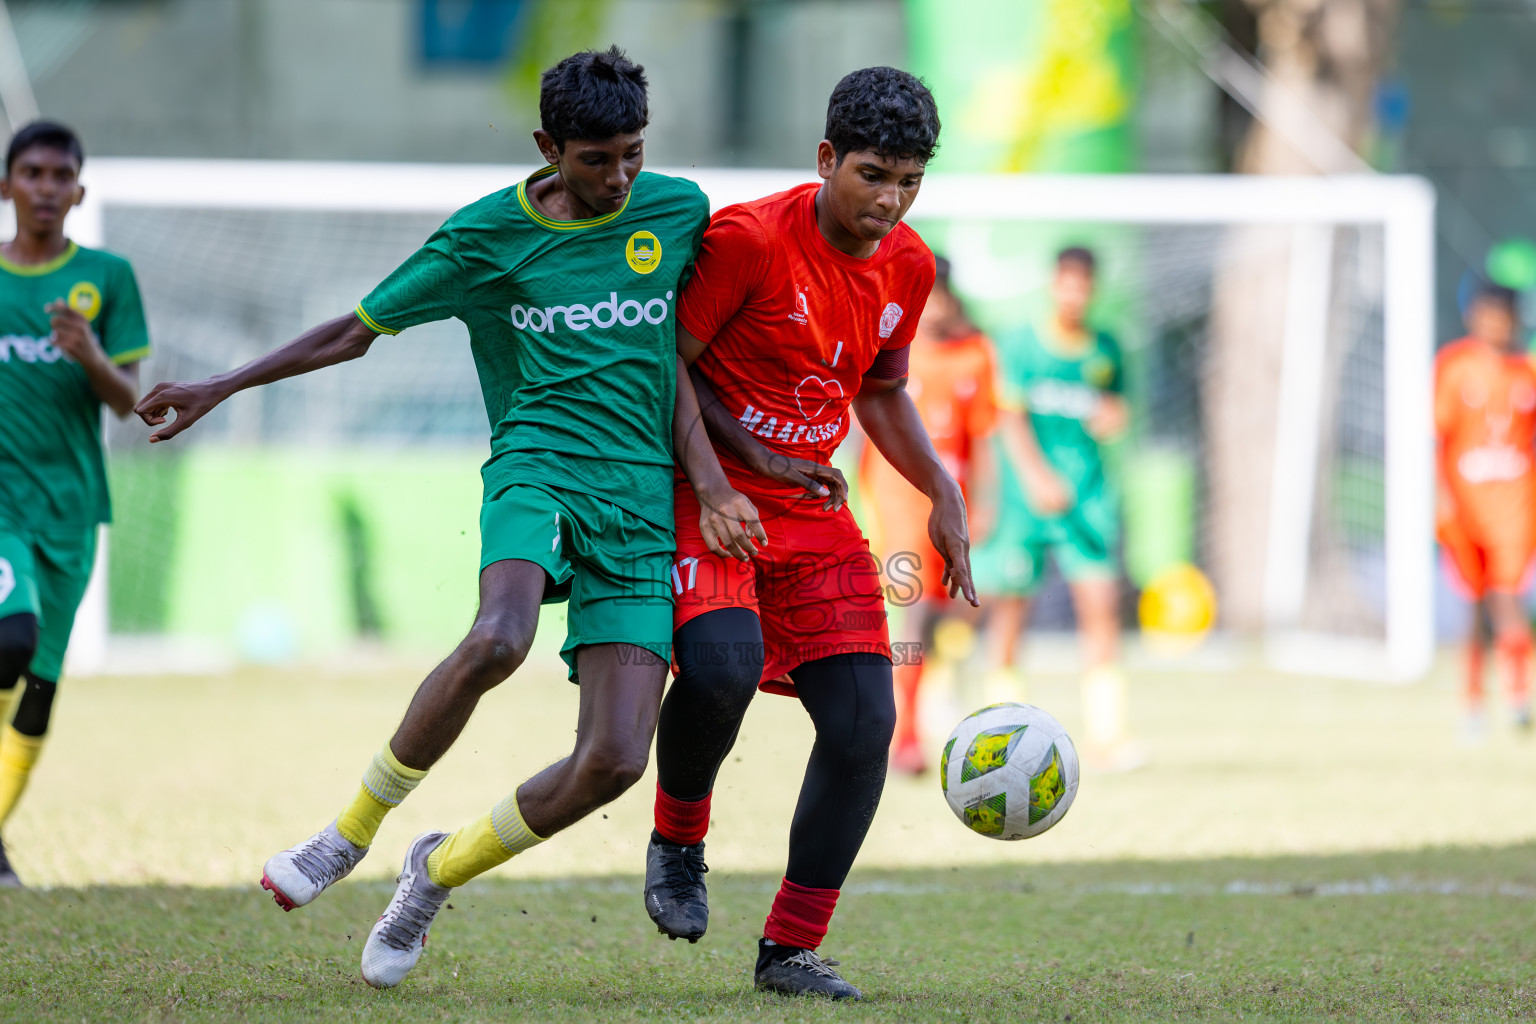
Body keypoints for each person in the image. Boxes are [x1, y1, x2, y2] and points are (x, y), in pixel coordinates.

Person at [134, 48, 760, 989]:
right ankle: (346, 836)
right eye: (597, 160)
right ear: (548, 146)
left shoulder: (675, 211)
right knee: (497, 639)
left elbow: (666, 356)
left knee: (616, 762)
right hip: (538, 472)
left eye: (633, 153)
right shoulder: (483, 238)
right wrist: (224, 386)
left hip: (638, 505)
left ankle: (432, 872)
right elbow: (355, 329)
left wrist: (714, 481)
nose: (620, 177)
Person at [642, 66, 973, 1001]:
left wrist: (940, 490)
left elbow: (880, 389)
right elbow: (668, 365)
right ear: (826, 158)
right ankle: (679, 839)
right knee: (722, 666)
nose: (891, 199)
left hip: (810, 510)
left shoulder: (909, 264)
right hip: (702, 492)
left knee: (869, 721)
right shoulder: (748, 239)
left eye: (910, 180)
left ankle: (789, 949)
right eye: (873, 174)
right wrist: (731, 472)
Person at [0, 121, 149, 888]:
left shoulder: (107, 277)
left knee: (41, 685)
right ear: (7, 187)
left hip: (73, 507)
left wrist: (88, 352)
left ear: (80, 191)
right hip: (2, 509)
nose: (47, 188)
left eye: (61, 176)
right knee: (10, 642)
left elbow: (130, 404)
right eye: (32, 173)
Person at [972, 246, 1139, 771]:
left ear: (1093, 289)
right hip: (1027, 501)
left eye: (1084, 286)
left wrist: (1114, 417)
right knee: (1010, 609)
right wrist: (1037, 477)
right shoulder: (1021, 344)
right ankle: (999, 733)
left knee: (1101, 606)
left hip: (1086, 500)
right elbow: (1009, 418)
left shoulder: (1106, 349)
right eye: (1067, 284)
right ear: (1054, 284)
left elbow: (1116, 406)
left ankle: (1107, 736)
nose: (1075, 295)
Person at [858, 255, 997, 774]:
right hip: (896, 503)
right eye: (924, 296)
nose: (932, 307)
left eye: (939, 296)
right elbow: (867, 430)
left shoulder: (975, 355)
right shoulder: (893, 350)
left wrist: (981, 506)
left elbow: (981, 441)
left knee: (944, 620)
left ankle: (928, 714)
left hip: (948, 510)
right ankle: (903, 736)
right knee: (910, 615)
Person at [1434, 282, 1536, 739]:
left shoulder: (1527, 371)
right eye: (1487, 315)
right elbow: (1438, 437)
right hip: (1465, 506)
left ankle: (1518, 695)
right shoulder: (1455, 366)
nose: (1495, 325)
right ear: (1473, 318)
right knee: (1472, 606)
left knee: (1508, 596)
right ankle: (1471, 703)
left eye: (1504, 317)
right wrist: (1439, 493)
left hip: (1515, 506)